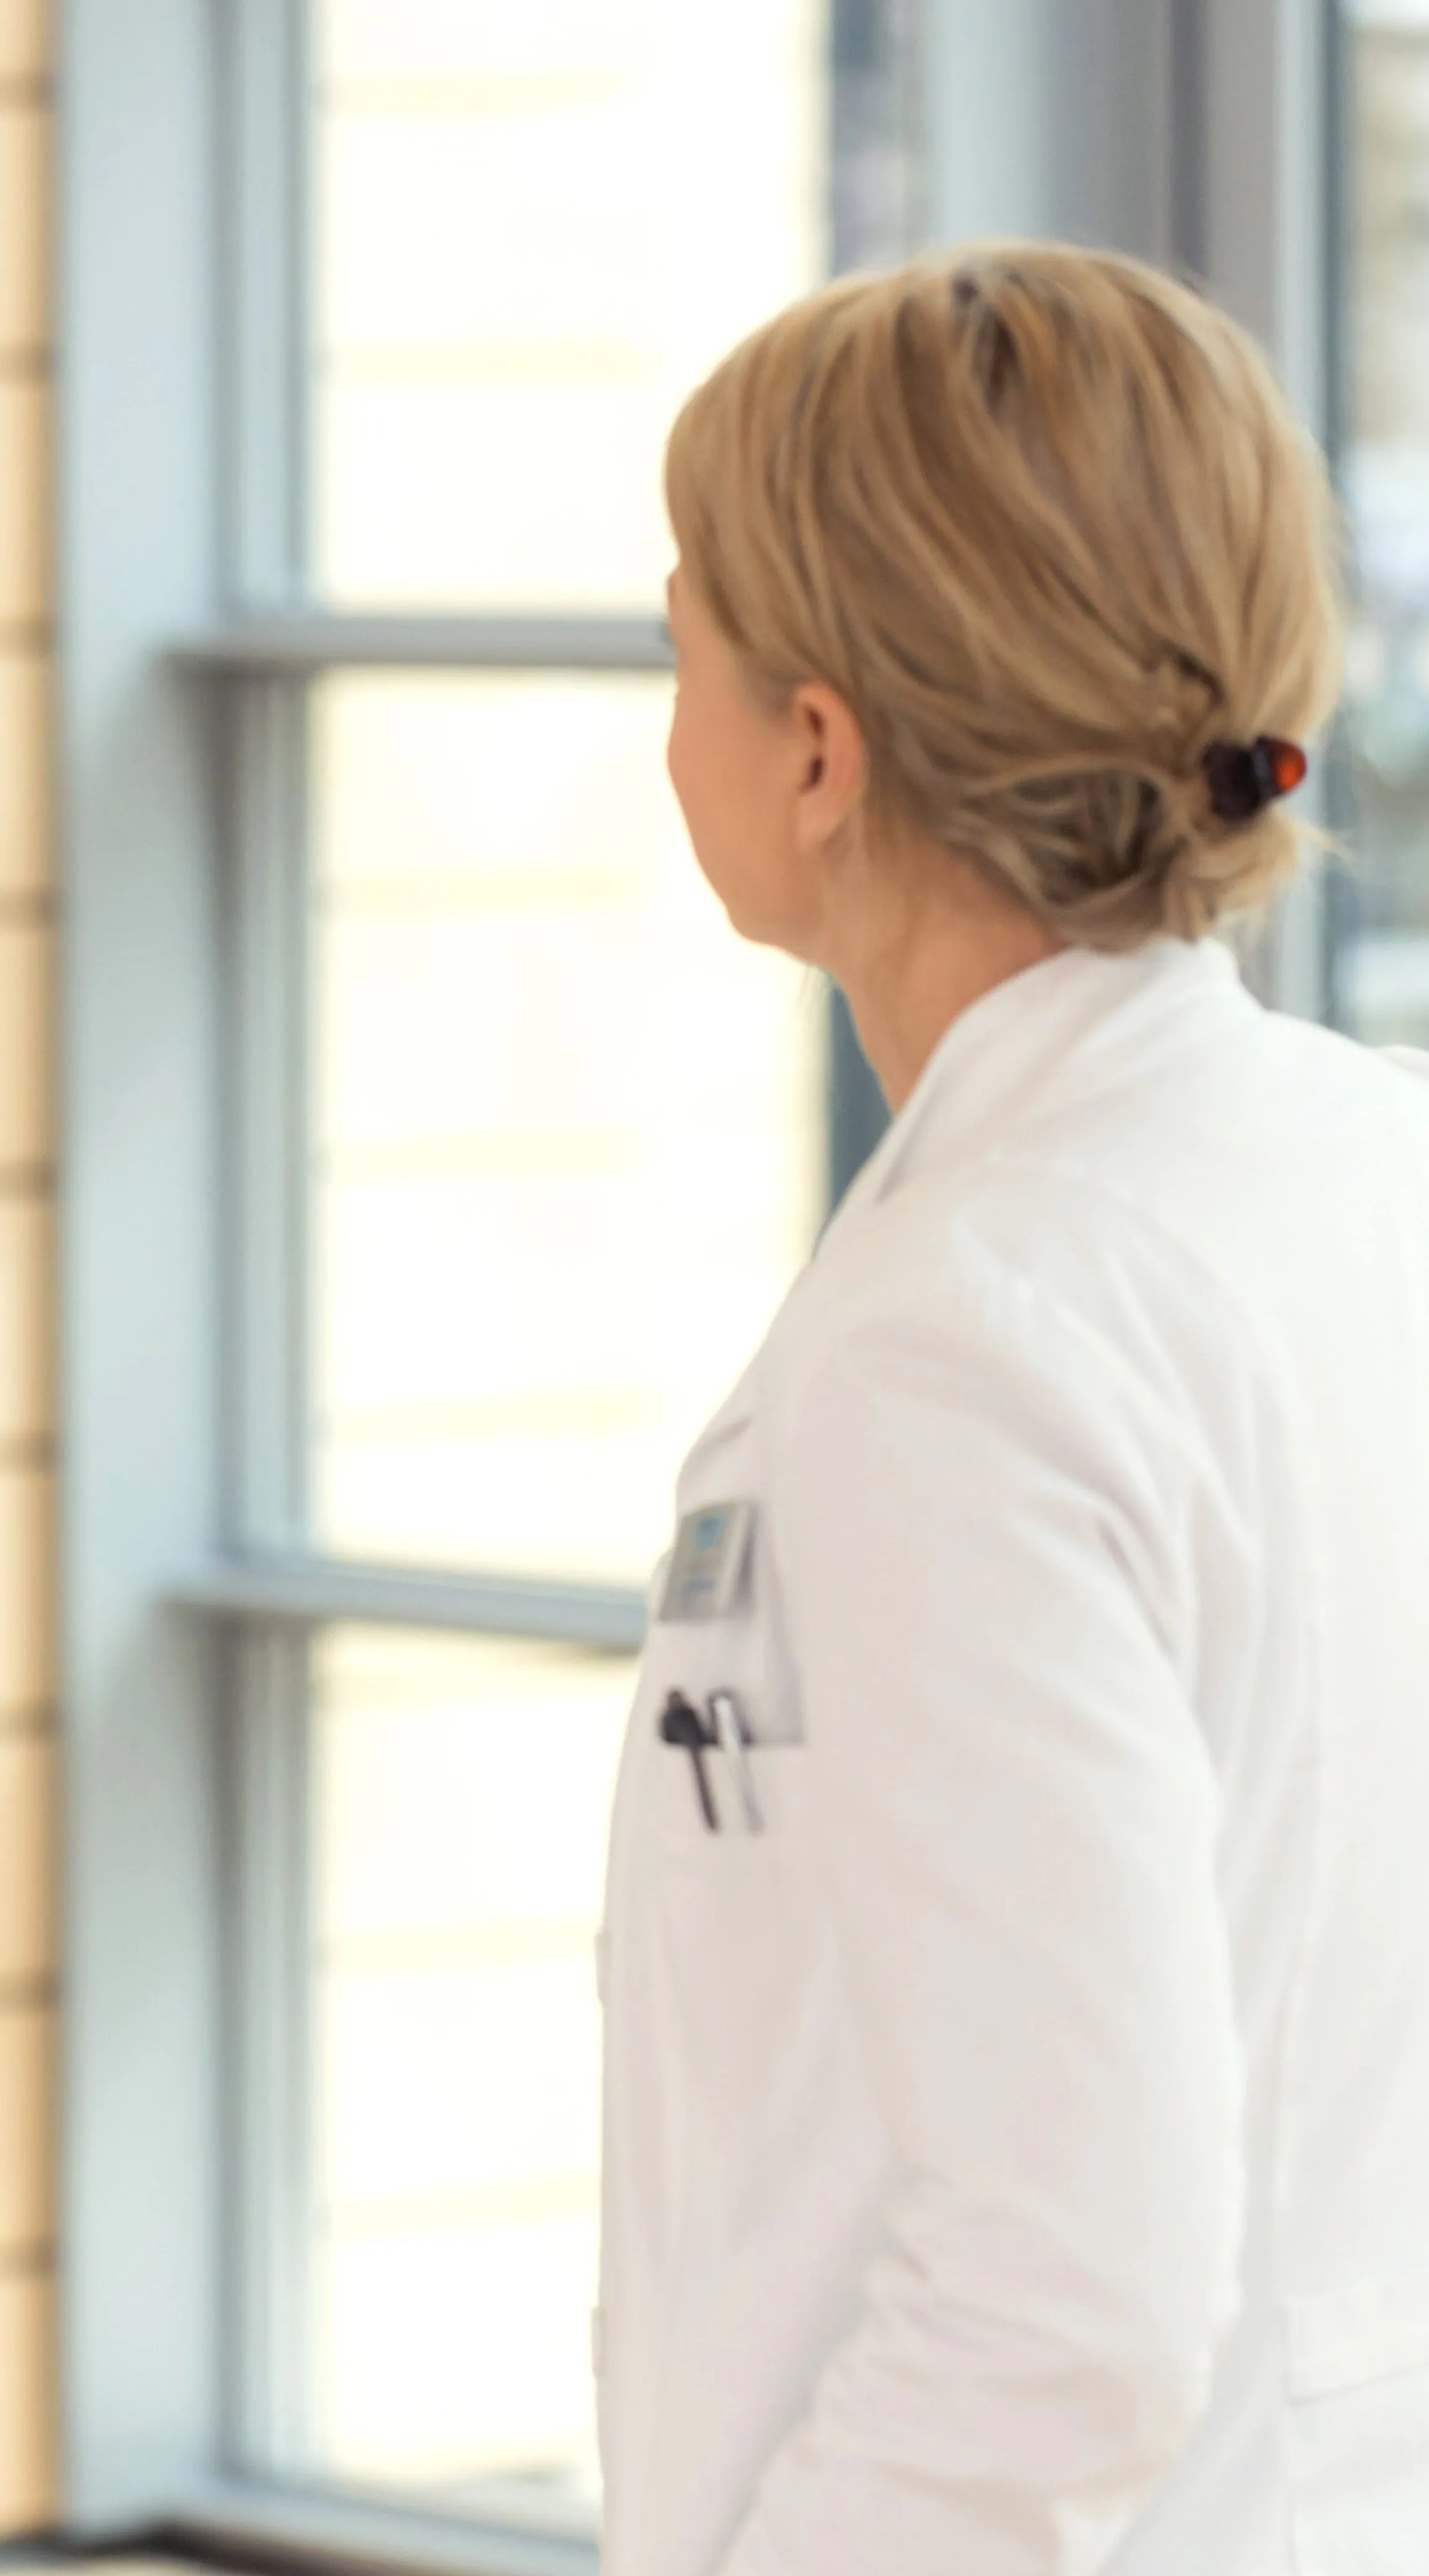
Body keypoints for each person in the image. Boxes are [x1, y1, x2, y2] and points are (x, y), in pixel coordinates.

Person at [600, 244, 1429, 2575]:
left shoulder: (962, 1350)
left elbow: (1067, 2305)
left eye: (680, 647)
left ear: (817, 749)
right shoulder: (1368, 1166)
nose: (665, 719)